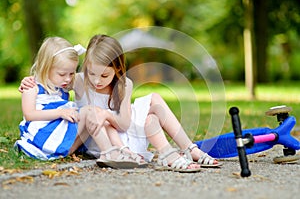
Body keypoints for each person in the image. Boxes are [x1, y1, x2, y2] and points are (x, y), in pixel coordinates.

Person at [20, 34, 221, 171]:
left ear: (117, 70)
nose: (97, 81)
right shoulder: (79, 80)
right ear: (86, 68)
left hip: (124, 131)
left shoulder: (125, 85)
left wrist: (108, 114)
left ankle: (189, 150)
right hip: (101, 137)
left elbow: (124, 124)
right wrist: (28, 81)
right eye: (91, 73)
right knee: (145, 116)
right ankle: (169, 156)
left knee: (154, 104)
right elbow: (52, 77)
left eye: (104, 75)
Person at [16, 37, 143, 168]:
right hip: (45, 141)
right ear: (45, 67)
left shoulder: (60, 85)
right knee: (90, 110)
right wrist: (60, 112)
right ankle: (108, 153)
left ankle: (120, 150)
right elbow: (30, 115)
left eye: (72, 73)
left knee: (97, 115)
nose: (68, 79)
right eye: (62, 74)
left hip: (65, 145)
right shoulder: (32, 87)